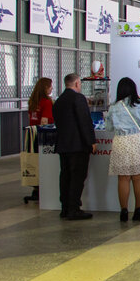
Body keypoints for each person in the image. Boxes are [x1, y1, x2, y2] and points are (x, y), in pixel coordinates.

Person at [103, 76, 140, 222]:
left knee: (123, 178)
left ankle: (124, 210)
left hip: (121, 142)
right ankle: (139, 209)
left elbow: (108, 128)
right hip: (139, 141)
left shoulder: (114, 107)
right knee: (139, 177)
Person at [53, 73, 96, 220]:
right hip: (78, 146)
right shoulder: (78, 98)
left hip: (63, 145)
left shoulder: (59, 100)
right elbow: (84, 121)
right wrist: (91, 141)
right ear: (77, 83)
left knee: (65, 176)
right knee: (77, 177)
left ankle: (65, 207)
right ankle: (74, 208)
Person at [25, 77, 54, 201]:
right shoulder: (46, 102)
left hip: (32, 135)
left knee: (35, 161)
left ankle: (36, 188)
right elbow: (44, 122)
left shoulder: (33, 101)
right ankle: (44, 188)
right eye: (50, 86)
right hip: (44, 136)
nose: (51, 88)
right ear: (45, 88)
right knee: (45, 163)